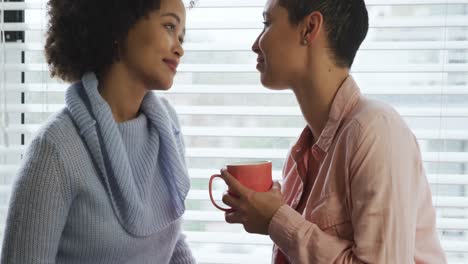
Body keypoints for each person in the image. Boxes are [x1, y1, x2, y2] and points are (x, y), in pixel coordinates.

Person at [218, 0, 447, 263]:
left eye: (267, 23)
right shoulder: (300, 156)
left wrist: (276, 220)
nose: (255, 44)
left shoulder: (375, 130)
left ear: (309, 28)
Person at [1, 0, 196, 263]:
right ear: (120, 25)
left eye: (181, 35)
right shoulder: (55, 149)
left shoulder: (165, 127)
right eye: (170, 26)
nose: (179, 48)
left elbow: (167, 239)